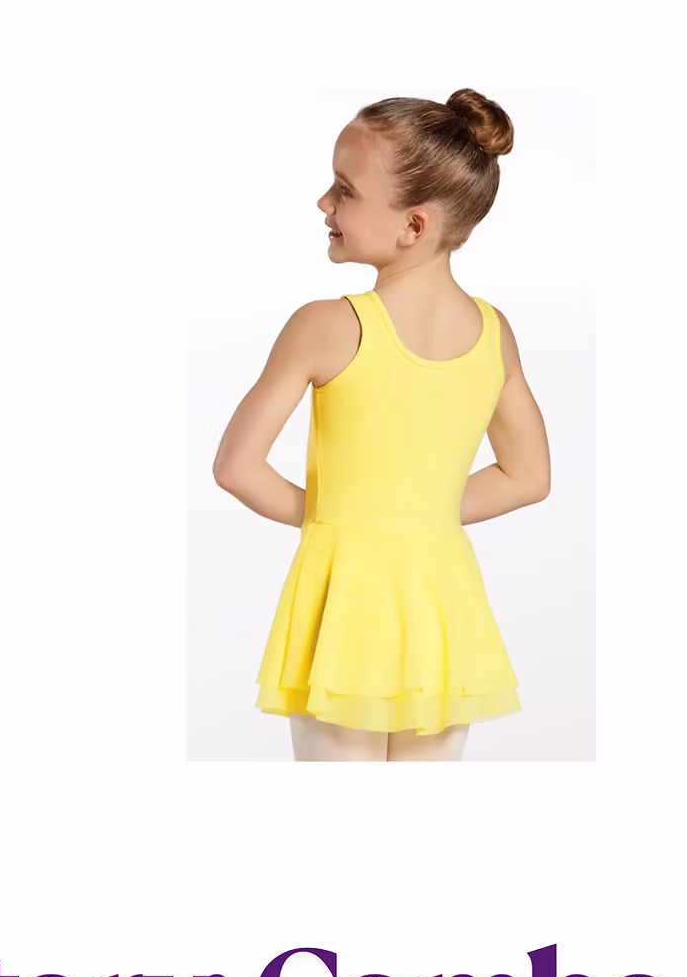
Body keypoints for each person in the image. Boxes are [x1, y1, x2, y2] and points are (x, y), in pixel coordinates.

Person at [213, 89, 550, 762]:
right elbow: (527, 476)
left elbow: (235, 468)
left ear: (414, 226)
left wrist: (343, 517)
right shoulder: (494, 333)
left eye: (344, 190)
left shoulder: (326, 326)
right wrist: (417, 511)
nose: (323, 203)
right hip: (442, 608)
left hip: (347, 604)